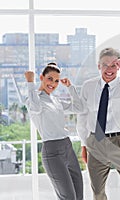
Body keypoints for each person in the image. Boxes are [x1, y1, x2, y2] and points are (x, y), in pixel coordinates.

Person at [76, 47, 120, 200]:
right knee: (98, 193)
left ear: (119, 66)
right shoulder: (88, 86)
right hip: (96, 142)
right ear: (98, 66)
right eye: (105, 65)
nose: (109, 69)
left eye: (114, 65)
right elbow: (82, 117)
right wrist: (84, 144)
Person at [24, 63, 84, 200]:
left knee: (79, 196)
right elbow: (35, 108)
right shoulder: (33, 99)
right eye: (50, 79)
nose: (53, 83)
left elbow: (79, 108)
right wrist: (30, 83)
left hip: (67, 147)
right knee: (68, 197)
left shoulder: (56, 100)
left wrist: (70, 87)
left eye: (56, 81)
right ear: (41, 77)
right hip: (52, 152)